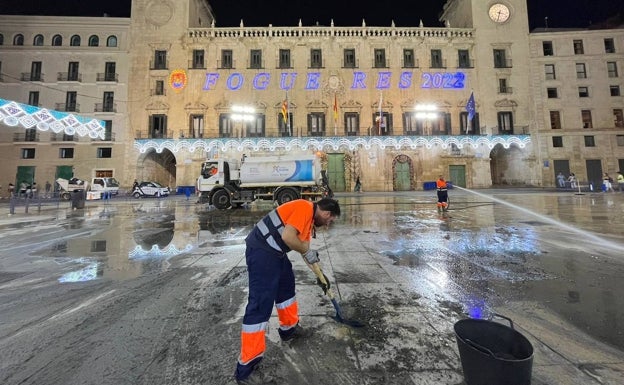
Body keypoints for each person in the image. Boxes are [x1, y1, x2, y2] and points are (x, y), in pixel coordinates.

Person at [234, 198, 341, 384]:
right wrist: (307, 252)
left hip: (276, 253)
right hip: (261, 251)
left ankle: (289, 329)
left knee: (286, 288)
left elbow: (304, 250)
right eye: (330, 220)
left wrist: (321, 277)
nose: (328, 224)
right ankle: (246, 368)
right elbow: (288, 238)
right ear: (326, 214)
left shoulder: (308, 221)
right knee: (260, 304)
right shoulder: (304, 208)